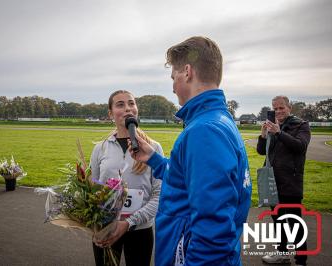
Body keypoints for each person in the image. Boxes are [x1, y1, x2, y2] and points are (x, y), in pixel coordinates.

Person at [129, 36, 252, 265]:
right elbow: (189, 181)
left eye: (173, 77)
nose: (173, 86)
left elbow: (212, 230)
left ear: (187, 72)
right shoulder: (217, 120)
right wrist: (154, 160)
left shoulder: (204, 131)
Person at [90, 90, 163, 266]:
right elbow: (93, 192)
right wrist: (95, 223)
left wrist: (129, 222)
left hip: (140, 230)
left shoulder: (153, 148)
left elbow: (159, 195)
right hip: (106, 228)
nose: (128, 108)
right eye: (120, 104)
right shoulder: (100, 149)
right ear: (110, 113)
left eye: (131, 103)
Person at [257, 96, 311, 265]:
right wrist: (264, 134)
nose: (278, 111)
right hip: (273, 180)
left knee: (295, 222)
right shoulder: (274, 126)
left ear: (290, 108)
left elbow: (300, 146)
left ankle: (301, 259)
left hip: (291, 181)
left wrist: (279, 132)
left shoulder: (301, 125)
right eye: (275, 108)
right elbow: (261, 151)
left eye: (281, 108)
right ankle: (282, 253)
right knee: (278, 220)